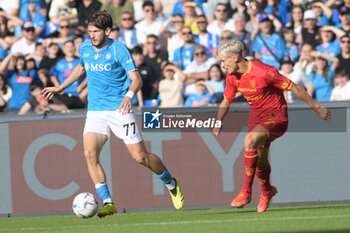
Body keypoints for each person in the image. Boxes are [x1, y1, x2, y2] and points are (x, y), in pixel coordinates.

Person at [42, 10, 184, 218]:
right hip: (96, 112)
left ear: (107, 31)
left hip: (120, 110)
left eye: (96, 31)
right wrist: (62, 86)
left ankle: (171, 183)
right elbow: (82, 68)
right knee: (89, 153)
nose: (92, 35)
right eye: (89, 31)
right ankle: (108, 201)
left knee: (141, 157)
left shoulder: (119, 50)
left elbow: (137, 79)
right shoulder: (84, 47)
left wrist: (129, 95)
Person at [213, 39, 331, 213]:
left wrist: (317, 107)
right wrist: (219, 121)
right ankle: (267, 191)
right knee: (260, 160)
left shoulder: (264, 72)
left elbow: (294, 87)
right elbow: (226, 100)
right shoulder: (232, 76)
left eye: (223, 60)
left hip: (276, 116)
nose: (222, 65)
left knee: (250, 140)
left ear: (236, 57)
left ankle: (246, 191)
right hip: (256, 117)